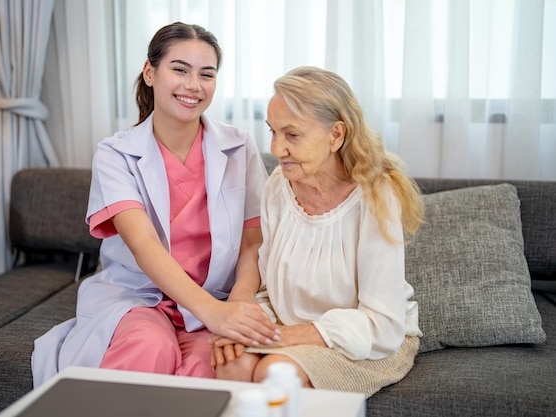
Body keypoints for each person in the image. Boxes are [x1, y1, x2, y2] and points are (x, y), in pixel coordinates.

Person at [31, 22, 280, 387]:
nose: (193, 85)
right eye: (179, 69)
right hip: (138, 297)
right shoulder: (116, 153)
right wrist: (211, 312)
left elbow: (252, 241)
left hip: (218, 295)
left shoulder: (239, 147)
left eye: (206, 74)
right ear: (150, 73)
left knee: (212, 368)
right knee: (149, 350)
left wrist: (237, 305)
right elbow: (144, 243)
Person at [210, 66, 424, 398]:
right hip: (289, 331)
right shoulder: (278, 187)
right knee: (230, 363)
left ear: (336, 135)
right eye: (273, 132)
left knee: (275, 374)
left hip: (369, 340)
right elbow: (270, 289)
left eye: (292, 135)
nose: (277, 149)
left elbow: (383, 324)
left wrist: (282, 337)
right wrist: (245, 326)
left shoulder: (376, 196)